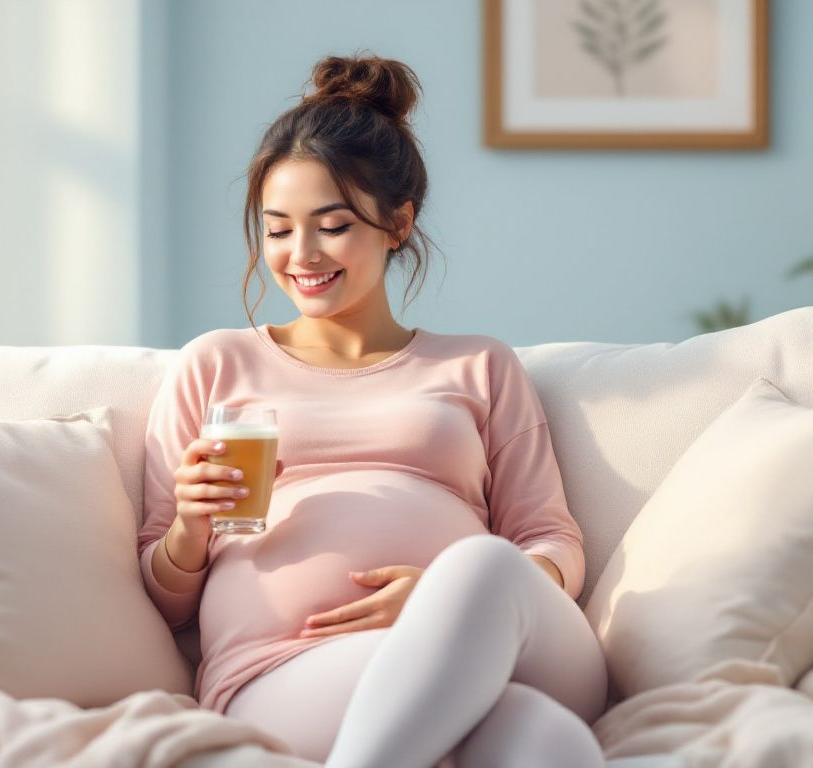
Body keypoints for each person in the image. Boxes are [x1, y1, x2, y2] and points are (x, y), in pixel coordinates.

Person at [135, 53, 607, 768]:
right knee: (542, 741)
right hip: (285, 671)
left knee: (482, 568)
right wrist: (191, 528)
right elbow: (165, 598)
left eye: (332, 225)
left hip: (510, 643)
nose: (301, 254)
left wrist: (443, 605)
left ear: (397, 223)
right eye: (279, 228)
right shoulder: (215, 364)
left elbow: (549, 541)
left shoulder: (479, 365)